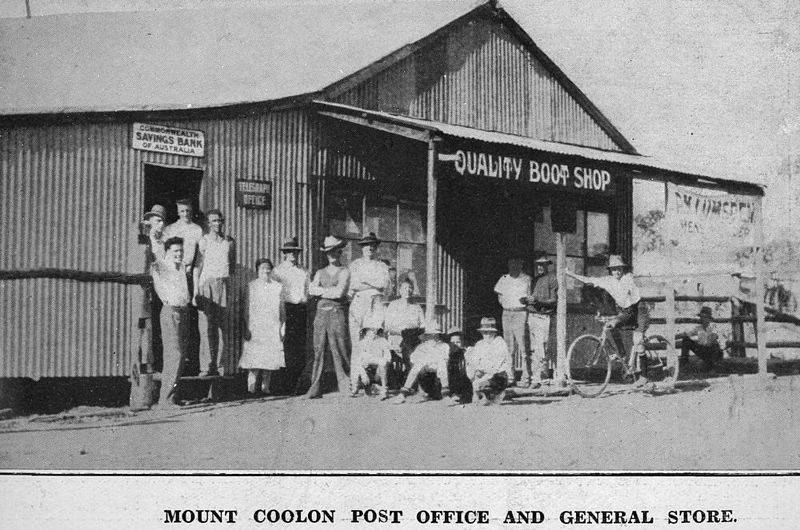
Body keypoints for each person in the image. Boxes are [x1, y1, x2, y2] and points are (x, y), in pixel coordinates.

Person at [566, 255, 651, 386]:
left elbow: (628, 307)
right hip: (626, 311)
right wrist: (569, 273)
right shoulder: (608, 280)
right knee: (610, 326)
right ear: (610, 271)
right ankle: (622, 355)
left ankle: (645, 376)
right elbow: (588, 280)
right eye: (613, 269)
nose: (617, 272)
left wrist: (614, 318)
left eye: (619, 269)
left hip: (639, 310)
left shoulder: (628, 279)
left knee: (638, 340)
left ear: (623, 270)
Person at [305, 236, 352, 399]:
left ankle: (345, 385)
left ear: (339, 252)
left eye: (334, 251)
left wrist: (322, 290)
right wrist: (329, 291)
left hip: (337, 312)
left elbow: (340, 293)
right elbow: (311, 290)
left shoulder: (345, 271)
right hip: (321, 313)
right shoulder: (319, 272)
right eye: (328, 252)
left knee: (340, 347)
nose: (331, 255)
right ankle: (315, 387)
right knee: (318, 349)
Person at [151, 236, 191, 408]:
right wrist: (154, 234)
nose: (179, 254)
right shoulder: (162, 265)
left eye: (181, 250)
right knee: (174, 355)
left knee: (181, 356)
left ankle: (173, 396)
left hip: (184, 311)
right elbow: (155, 252)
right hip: (170, 312)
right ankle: (165, 399)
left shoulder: (181, 267)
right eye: (175, 251)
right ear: (167, 252)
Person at [194, 209, 235, 376]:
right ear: (208, 223)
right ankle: (206, 366)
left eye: (219, 220)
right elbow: (197, 267)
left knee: (222, 329)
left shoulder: (229, 242)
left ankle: (220, 366)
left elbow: (231, 267)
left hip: (222, 284)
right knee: (206, 328)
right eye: (213, 221)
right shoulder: (203, 241)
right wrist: (196, 290)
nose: (217, 224)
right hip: (206, 284)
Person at [239, 258, 285, 395]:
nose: (265, 271)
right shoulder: (251, 286)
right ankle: (251, 388)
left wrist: (282, 328)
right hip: (255, 327)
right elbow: (246, 308)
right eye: (262, 268)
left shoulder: (277, 286)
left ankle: (266, 388)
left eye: (268, 268)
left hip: (271, 326)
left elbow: (282, 310)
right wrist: (246, 327)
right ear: (257, 270)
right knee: (254, 358)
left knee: (269, 359)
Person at [130, 204, 167, 374]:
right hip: (148, 287)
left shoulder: (164, 241)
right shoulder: (145, 240)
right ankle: (145, 363)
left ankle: (157, 363)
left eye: (162, 221)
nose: (160, 225)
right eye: (157, 221)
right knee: (146, 325)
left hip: (162, 287)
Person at [272, 236, 310, 394]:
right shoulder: (278, 271)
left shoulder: (304, 271)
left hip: (300, 310)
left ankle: (297, 384)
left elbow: (307, 291)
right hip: (285, 309)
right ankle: (285, 384)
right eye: (289, 252)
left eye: (295, 252)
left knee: (299, 347)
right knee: (286, 346)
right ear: (285, 254)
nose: (292, 255)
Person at [348, 232, 391, 354]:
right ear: (362, 248)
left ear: (376, 247)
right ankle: (356, 372)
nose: (369, 248)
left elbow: (383, 285)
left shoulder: (381, 266)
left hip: (376, 302)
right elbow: (353, 285)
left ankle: (375, 371)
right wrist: (374, 283)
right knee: (357, 337)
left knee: (376, 334)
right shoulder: (355, 264)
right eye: (366, 245)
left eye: (372, 245)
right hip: (359, 301)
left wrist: (365, 280)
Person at [390, 323, 453, 404]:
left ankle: (445, 395)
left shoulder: (444, 346)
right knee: (417, 365)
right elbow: (413, 358)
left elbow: (445, 359)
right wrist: (423, 361)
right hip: (424, 367)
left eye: (435, 335)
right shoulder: (422, 346)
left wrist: (432, 361)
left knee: (442, 364)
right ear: (427, 336)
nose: (433, 338)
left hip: (437, 366)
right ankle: (403, 393)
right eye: (430, 336)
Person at [494, 255, 530, 386]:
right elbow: (499, 296)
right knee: (509, 347)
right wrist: (506, 306)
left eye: (517, 264)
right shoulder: (503, 279)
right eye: (511, 264)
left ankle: (526, 377)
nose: (514, 267)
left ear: (521, 265)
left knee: (523, 346)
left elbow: (530, 296)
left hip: (520, 313)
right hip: (507, 313)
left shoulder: (526, 279)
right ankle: (510, 376)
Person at [524, 256, 558, 388]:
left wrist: (538, 302)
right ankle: (536, 378)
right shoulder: (535, 280)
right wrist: (527, 300)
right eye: (538, 265)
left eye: (542, 265)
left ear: (547, 266)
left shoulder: (552, 279)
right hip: (532, 315)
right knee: (533, 349)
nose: (540, 267)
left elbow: (553, 300)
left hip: (543, 316)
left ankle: (542, 378)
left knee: (542, 348)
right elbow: (532, 297)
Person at [464, 317, 511, 405]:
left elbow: (497, 365)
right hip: (482, 374)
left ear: (494, 332)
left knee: (487, 383)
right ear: (482, 333)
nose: (488, 334)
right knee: (472, 372)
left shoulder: (500, 343)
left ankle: (494, 394)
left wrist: (484, 373)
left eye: (490, 332)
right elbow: (474, 362)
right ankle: (481, 395)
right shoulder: (479, 344)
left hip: (497, 375)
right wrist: (476, 371)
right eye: (485, 332)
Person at [349, 314, 392, 399]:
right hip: (367, 370)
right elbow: (358, 361)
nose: (373, 332)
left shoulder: (382, 341)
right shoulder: (362, 343)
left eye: (375, 329)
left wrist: (378, 363)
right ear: (365, 331)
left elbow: (388, 357)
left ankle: (384, 389)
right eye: (370, 330)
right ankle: (355, 387)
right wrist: (363, 373)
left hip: (379, 371)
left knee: (382, 363)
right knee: (356, 364)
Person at [384, 277, 425, 364]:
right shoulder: (393, 305)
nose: (408, 290)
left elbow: (423, 326)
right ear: (400, 290)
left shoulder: (417, 307)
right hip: (397, 338)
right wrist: (403, 333)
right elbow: (387, 327)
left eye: (410, 288)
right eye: (405, 288)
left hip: (413, 338)